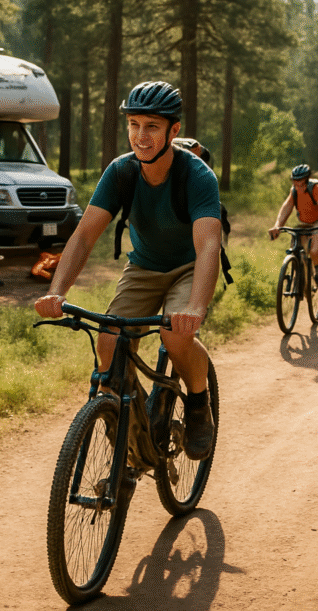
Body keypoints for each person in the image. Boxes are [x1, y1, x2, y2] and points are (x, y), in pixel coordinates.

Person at [35, 81, 221, 461]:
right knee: (109, 344)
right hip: (144, 267)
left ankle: (199, 403)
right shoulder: (121, 172)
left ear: (174, 130)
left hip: (188, 267)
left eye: (152, 126)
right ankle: (132, 447)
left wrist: (196, 307)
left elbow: (208, 246)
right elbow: (85, 236)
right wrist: (57, 291)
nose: (141, 135)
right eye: (134, 125)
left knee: (175, 335)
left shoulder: (196, 176)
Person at [268, 163, 318, 287]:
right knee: (295, 250)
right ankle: (300, 279)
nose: (298, 187)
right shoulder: (294, 191)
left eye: (301, 184)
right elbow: (286, 208)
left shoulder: (315, 189)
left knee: (315, 250)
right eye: (295, 184)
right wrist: (277, 225)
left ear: (307, 180)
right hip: (303, 223)